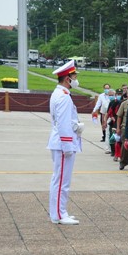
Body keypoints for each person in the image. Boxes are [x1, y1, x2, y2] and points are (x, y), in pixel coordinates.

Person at [48, 60, 83, 225]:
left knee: (61, 180)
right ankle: (59, 215)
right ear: (68, 79)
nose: (76, 80)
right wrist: (68, 145)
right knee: (62, 181)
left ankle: (60, 211)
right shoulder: (63, 97)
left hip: (61, 142)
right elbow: (62, 123)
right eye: (74, 76)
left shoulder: (60, 94)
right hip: (63, 144)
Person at [116, 90, 128, 171]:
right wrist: (118, 128)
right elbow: (119, 116)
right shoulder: (124, 104)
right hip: (125, 127)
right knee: (125, 146)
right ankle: (123, 162)